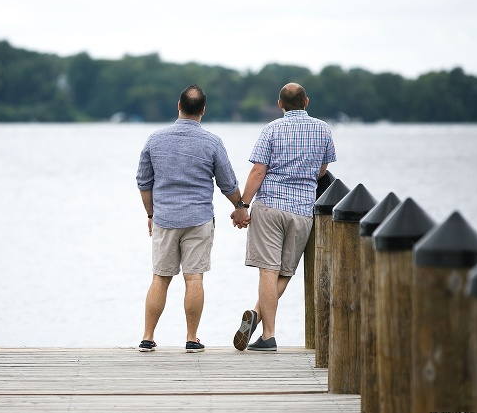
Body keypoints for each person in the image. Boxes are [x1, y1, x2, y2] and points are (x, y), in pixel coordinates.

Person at [136, 84, 245, 353]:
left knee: (160, 278)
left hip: (165, 219)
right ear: (203, 110)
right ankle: (191, 338)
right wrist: (240, 207)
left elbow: (143, 182)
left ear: (179, 106)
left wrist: (151, 214)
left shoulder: (154, 140)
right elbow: (227, 183)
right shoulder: (212, 142)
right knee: (194, 279)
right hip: (199, 219)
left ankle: (147, 338)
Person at [230, 82, 336, 352]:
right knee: (285, 271)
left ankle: (268, 334)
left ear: (280, 104)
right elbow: (322, 171)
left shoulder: (272, 129)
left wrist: (242, 205)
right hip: (302, 211)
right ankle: (258, 317)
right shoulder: (323, 129)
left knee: (268, 269)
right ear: (306, 102)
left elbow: (258, 172)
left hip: (270, 208)